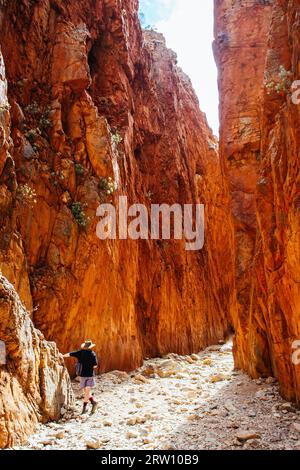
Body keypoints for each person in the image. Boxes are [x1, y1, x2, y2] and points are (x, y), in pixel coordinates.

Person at [63, 339, 98, 414]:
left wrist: (61, 356)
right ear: (90, 347)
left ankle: (84, 408)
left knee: (85, 392)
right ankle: (93, 402)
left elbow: (69, 354)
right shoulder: (93, 354)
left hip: (82, 376)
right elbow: (95, 366)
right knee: (86, 392)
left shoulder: (80, 352)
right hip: (90, 375)